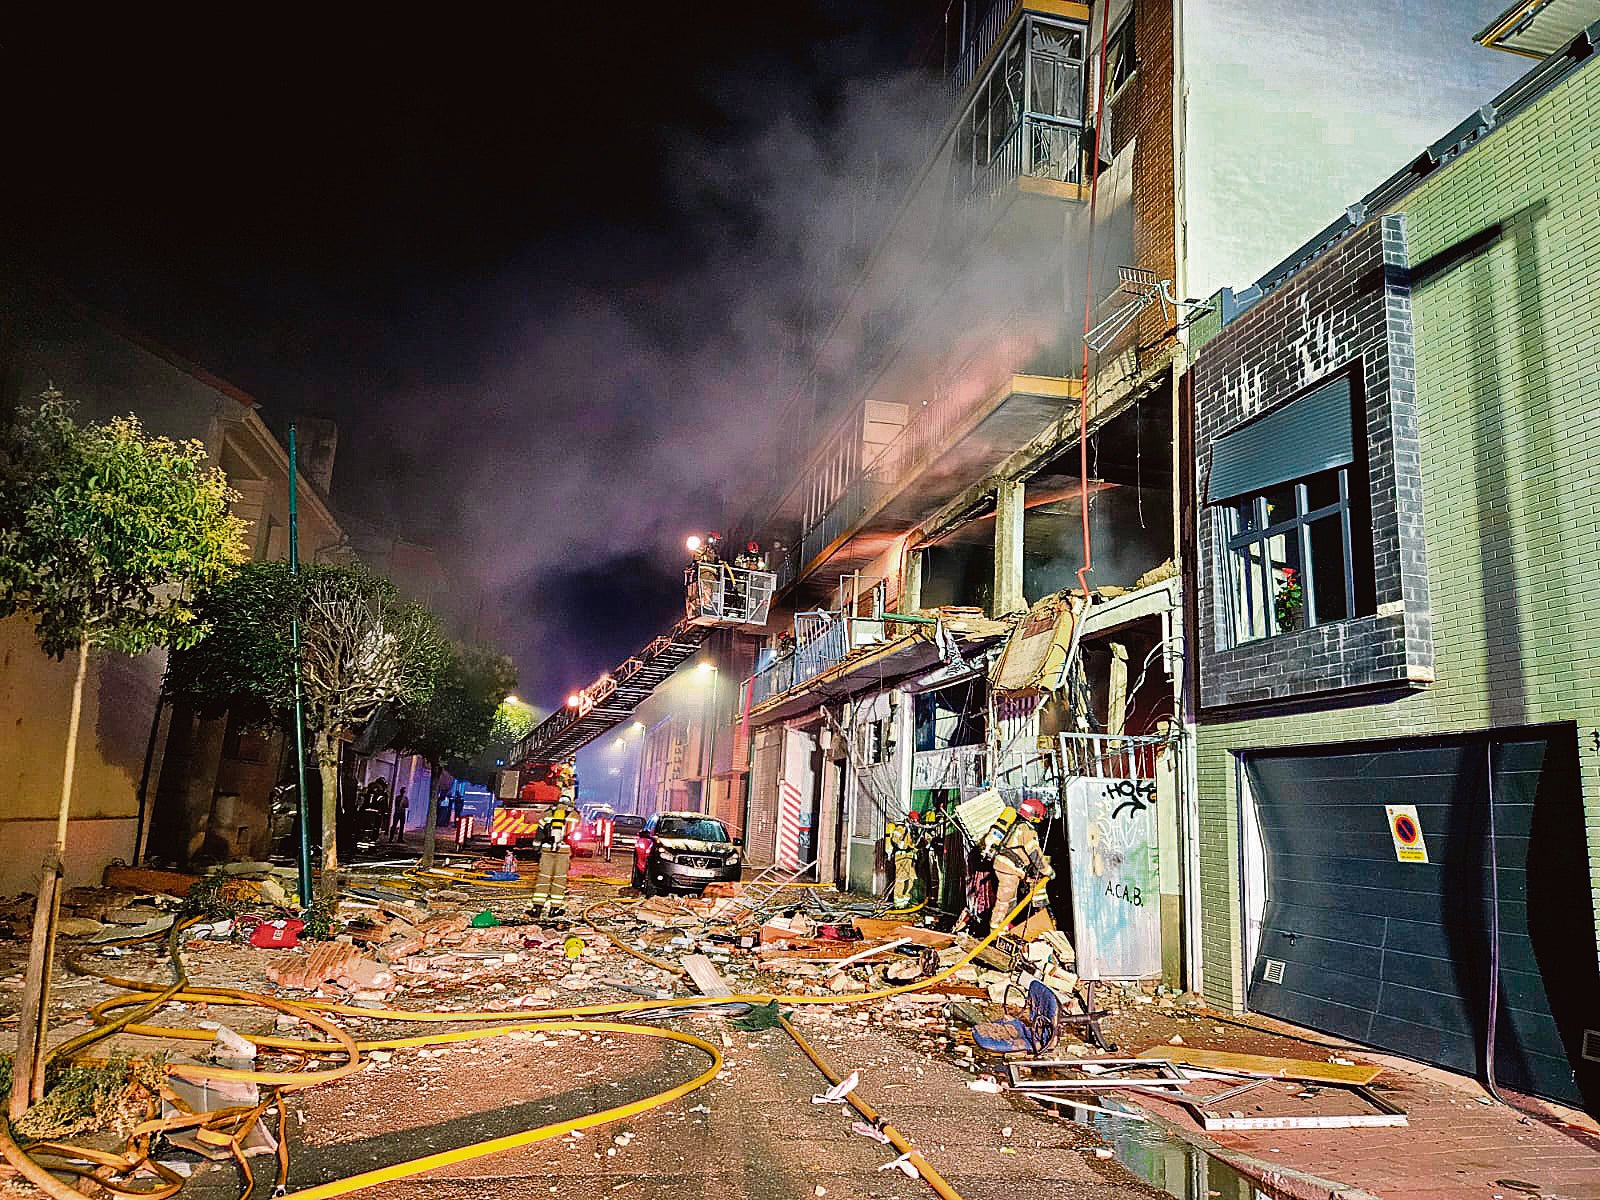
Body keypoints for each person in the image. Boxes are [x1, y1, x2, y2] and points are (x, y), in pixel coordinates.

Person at [989, 796, 1053, 931]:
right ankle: (996, 932)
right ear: (1035, 816)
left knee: (1010, 900)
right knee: (1005, 902)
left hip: (1005, 866)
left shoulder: (1017, 825)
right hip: (1008, 869)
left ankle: (1003, 927)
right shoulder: (1028, 831)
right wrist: (1048, 871)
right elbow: (1035, 854)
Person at [886, 811, 921, 908]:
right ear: (909, 819)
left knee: (911, 878)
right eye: (914, 821)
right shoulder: (901, 828)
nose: (915, 823)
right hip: (901, 857)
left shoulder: (913, 829)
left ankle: (906, 900)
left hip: (910, 857)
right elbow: (895, 840)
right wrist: (907, 846)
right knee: (901, 879)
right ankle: (898, 902)